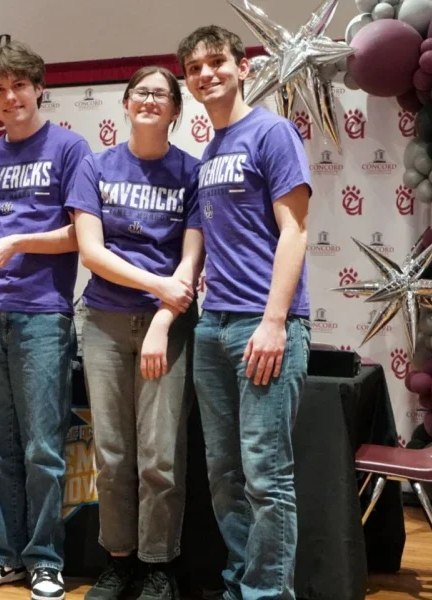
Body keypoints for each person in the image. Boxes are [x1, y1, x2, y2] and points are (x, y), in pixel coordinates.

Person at [0, 40, 91, 600]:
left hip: (42, 316)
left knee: (42, 449)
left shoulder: (70, 148)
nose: (11, 97)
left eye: (20, 86)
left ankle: (45, 560)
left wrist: (19, 242)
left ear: (39, 89)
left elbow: (82, 234)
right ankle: (1, 556)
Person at [177, 26, 312, 600]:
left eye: (216, 62)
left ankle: (267, 594)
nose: (206, 74)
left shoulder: (272, 132)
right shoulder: (210, 151)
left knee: (266, 474)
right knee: (224, 474)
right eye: (194, 69)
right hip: (213, 325)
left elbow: (295, 231)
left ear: (243, 66)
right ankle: (241, 584)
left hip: (264, 323)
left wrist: (275, 322)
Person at [66, 66, 203, 600]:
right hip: (103, 321)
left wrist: (164, 314)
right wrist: (155, 284)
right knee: (112, 453)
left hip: (169, 325)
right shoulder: (95, 166)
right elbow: (91, 252)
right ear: (125, 103)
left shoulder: (192, 172)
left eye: (161, 95)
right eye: (140, 93)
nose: (149, 100)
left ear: (175, 110)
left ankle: (158, 567)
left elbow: (192, 258)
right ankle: (118, 561)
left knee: (160, 456)